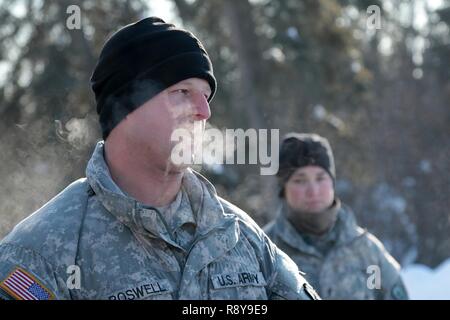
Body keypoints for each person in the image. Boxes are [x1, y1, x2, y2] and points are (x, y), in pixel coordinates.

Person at [0, 17, 319, 300]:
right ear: (125, 107)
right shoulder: (39, 254)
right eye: (182, 92)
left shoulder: (241, 236)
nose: (204, 111)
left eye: (205, 97)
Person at [264, 133, 409, 300]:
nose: (313, 191)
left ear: (332, 182)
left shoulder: (367, 252)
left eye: (320, 178)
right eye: (300, 180)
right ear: (283, 188)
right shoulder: (263, 252)